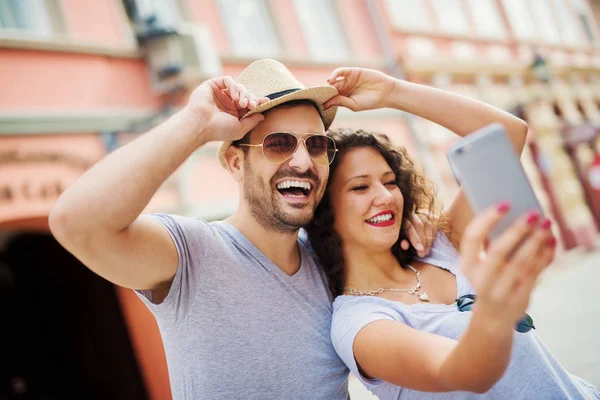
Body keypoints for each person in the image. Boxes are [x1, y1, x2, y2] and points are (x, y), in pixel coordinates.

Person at [48, 59, 433, 399]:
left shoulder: (332, 260)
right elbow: (76, 225)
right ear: (235, 163)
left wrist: (412, 235)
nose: (303, 160)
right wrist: (197, 124)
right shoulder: (191, 253)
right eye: (279, 144)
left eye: (317, 145)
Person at [306, 67, 600, 399]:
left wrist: (392, 93)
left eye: (389, 182)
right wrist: (495, 306)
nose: (385, 196)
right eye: (360, 187)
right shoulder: (359, 324)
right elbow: (458, 371)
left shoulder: (441, 244)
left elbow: (505, 133)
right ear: (325, 213)